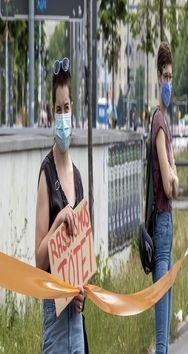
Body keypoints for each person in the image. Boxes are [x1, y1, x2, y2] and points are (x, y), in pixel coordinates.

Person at [35, 57, 87, 353]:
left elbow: (81, 254)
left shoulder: (77, 178)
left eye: (67, 108)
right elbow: (39, 260)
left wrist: (82, 293)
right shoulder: (47, 172)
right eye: (58, 109)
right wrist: (56, 224)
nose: (63, 115)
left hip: (76, 322)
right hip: (54, 322)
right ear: (51, 112)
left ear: (73, 110)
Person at [151, 42, 179, 354]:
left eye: (172, 76)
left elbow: (176, 180)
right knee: (161, 340)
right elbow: (171, 185)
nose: (169, 82)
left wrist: (174, 176)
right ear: (158, 77)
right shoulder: (159, 121)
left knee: (166, 337)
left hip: (167, 226)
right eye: (165, 76)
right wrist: (173, 177)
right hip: (162, 224)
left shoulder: (165, 121)